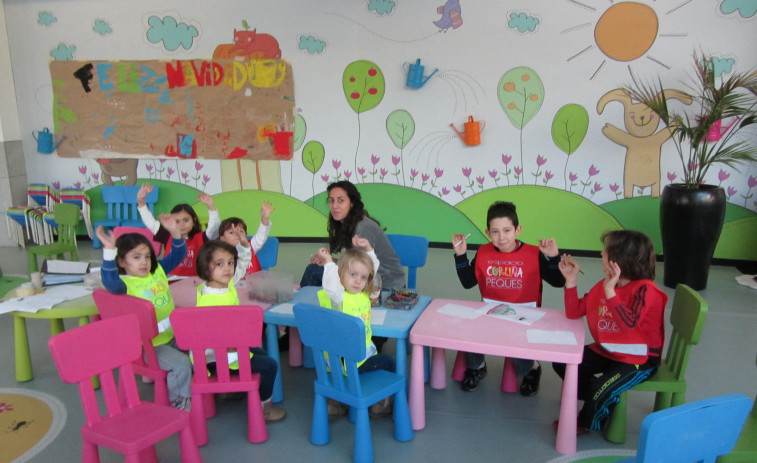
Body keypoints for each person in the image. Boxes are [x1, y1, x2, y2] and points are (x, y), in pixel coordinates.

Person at [552, 230, 667, 434]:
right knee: (563, 361)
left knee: (600, 387)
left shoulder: (646, 290)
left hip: (639, 359)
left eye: (605, 253)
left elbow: (629, 324)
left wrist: (611, 293)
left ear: (618, 261)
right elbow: (574, 312)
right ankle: (599, 398)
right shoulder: (603, 286)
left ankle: (587, 422)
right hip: (608, 350)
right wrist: (571, 281)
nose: (601, 255)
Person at [451, 201, 565, 395]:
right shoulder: (483, 252)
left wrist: (554, 257)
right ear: (488, 232)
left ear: (517, 229)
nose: (501, 237)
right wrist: (461, 256)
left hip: (524, 317)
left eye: (507, 230)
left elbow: (558, 281)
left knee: (520, 359)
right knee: (470, 332)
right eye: (495, 231)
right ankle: (477, 368)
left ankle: (533, 368)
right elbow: (468, 282)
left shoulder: (533, 254)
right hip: (489, 313)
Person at [96, 217, 192, 410]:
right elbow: (109, 281)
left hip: (172, 335)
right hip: (150, 346)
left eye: (147, 256)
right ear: (122, 261)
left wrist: (175, 232)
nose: (144, 262)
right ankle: (179, 403)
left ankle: (193, 389)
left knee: (200, 350)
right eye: (136, 257)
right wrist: (109, 251)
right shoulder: (124, 284)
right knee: (182, 364)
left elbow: (179, 253)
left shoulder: (157, 271)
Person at [299, 180, 404, 352]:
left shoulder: (361, 226)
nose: (335, 206)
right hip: (365, 280)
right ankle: (307, 325)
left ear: (352, 203)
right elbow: (352, 264)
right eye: (331, 200)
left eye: (341, 200)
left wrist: (330, 264)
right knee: (316, 269)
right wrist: (328, 261)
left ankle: (303, 325)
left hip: (382, 288)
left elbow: (358, 270)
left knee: (314, 271)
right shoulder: (348, 223)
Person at [194, 238, 286, 422]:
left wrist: (244, 246)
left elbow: (242, 266)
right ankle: (264, 408)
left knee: (260, 351)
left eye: (230, 263)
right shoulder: (211, 301)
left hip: (226, 351)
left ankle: (230, 390)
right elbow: (214, 338)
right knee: (270, 366)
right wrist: (239, 342)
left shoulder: (219, 285)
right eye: (219, 264)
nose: (227, 268)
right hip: (218, 358)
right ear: (205, 268)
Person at [316, 235, 395, 418]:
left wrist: (368, 248)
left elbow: (371, 268)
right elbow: (331, 287)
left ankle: (336, 403)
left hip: (342, 360)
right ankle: (379, 405)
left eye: (363, 277)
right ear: (340, 273)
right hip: (351, 362)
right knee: (389, 362)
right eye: (353, 275)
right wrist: (329, 263)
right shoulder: (339, 297)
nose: (358, 281)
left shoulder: (361, 293)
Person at [136, 182, 220, 276]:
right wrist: (141, 202)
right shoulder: (167, 234)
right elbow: (150, 222)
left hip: (193, 281)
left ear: (194, 220)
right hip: (169, 280)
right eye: (177, 221)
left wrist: (211, 206)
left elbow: (214, 227)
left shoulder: (201, 237)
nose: (182, 225)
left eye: (186, 220)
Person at [217, 200, 274, 275]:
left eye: (240, 232)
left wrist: (264, 219)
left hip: (253, 285)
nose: (237, 235)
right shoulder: (217, 253)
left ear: (246, 235)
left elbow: (261, 236)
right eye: (232, 233)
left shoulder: (250, 246)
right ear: (222, 238)